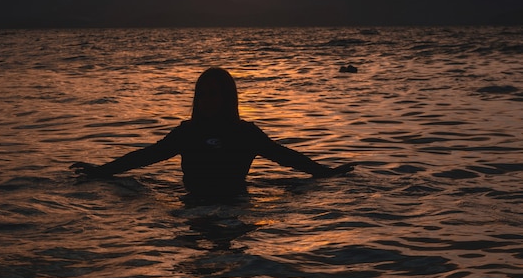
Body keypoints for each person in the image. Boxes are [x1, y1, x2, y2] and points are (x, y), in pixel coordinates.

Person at [71, 67, 355, 198]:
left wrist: (326, 173)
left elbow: (286, 157)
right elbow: (147, 155)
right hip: (192, 203)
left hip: (236, 202)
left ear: (227, 97)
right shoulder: (187, 133)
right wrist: (101, 172)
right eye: (202, 94)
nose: (206, 100)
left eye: (213, 94)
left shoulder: (246, 134)